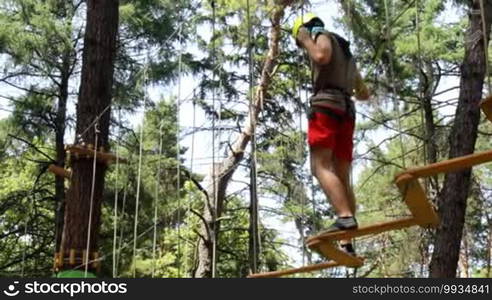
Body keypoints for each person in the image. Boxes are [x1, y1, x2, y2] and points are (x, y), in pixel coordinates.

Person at [292, 13, 370, 255]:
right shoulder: (346, 53)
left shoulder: (321, 36)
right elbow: (364, 92)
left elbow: (320, 55)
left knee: (320, 166)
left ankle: (345, 217)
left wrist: (305, 39)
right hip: (346, 111)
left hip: (326, 107)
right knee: (341, 175)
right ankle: (347, 240)